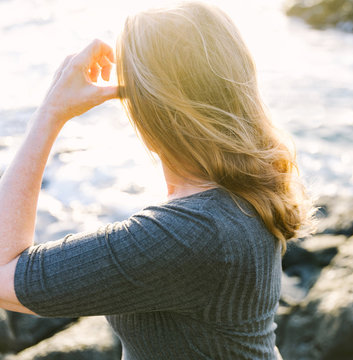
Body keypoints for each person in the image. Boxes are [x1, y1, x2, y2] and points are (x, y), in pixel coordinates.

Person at [0, 2, 312, 359]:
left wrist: (50, 114)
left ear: (144, 107)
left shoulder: (191, 233)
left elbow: (3, 273)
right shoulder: (246, 188)